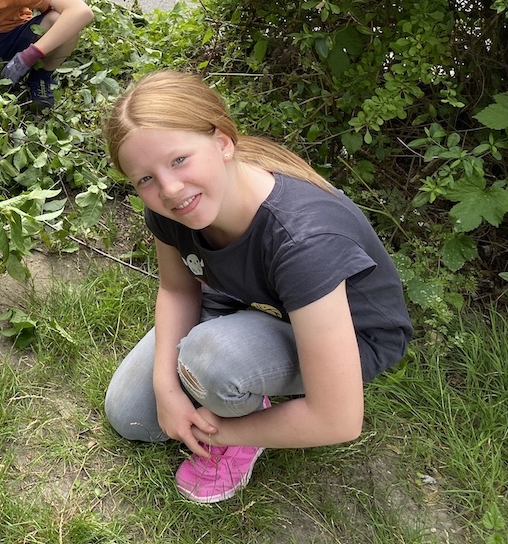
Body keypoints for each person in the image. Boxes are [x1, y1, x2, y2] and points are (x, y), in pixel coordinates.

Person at [101, 70, 412, 504]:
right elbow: (178, 290)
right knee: (130, 415)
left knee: (214, 360)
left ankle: (243, 422)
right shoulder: (173, 207)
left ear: (223, 142)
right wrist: (165, 388)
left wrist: (220, 430)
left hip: (352, 334)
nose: (169, 189)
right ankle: (232, 371)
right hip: (250, 299)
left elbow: (338, 419)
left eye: (179, 159)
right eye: (145, 179)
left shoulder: (303, 242)